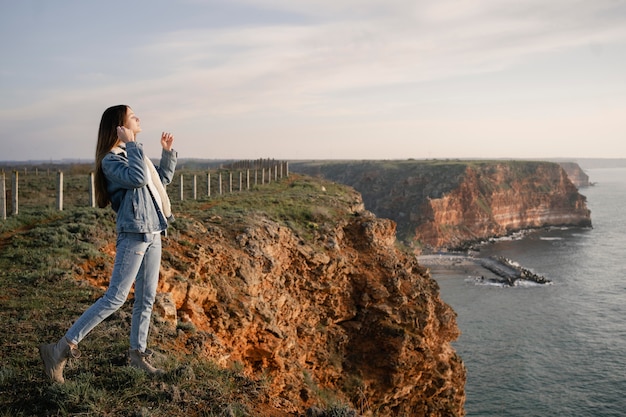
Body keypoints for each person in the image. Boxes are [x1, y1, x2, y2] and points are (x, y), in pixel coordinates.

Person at [39, 105, 177, 383]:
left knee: (147, 298)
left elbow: (157, 184)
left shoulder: (132, 154)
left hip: (152, 232)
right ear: (119, 125)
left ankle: (138, 355)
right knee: (115, 297)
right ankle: (60, 349)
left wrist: (165, 154)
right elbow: (138, 179)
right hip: (134, 233)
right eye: (132, 115)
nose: (138, 117)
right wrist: (133, 144)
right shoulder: (111, 160)